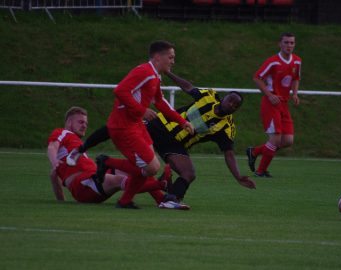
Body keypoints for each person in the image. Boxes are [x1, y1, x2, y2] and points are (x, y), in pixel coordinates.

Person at [68, 71, 256, 203]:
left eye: (235, 105)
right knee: (118, 126)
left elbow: (229, 154)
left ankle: (170, 199)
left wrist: (238, 176)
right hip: (161, 125)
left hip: (175, 145)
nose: (231, 104)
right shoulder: (209, 96)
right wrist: (168, 73)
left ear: (236, 110)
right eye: (230, 99)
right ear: (224, 97)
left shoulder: (227, 128)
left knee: (188, 173)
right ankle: (84, 148)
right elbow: (188, 87)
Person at [94, 40, 194, 208]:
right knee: (151, 167)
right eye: (170, 57)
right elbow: (120, 91)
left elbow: (160, 102)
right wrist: (142, 110)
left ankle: (125, 199)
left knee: (149, 167)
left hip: (135, 125)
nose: (173, 61)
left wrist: (182, 121)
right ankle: (109, 164)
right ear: (157, 57)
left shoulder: (154, 75)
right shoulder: (145, 72)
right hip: (123, 126)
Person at [47, 106, 189, 210]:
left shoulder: (74, 144)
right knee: (120, 180)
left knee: (136, 169)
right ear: (69, 122)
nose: (85, 125)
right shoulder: (62, 132)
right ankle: (161, 185)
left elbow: (54, 175)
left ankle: (162, 199)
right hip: (83, 184)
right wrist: (54, 162)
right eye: (81, 122)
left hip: (93, 176)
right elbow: (52, 147)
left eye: (86, 123)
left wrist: (61, 201)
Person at [246, 32, 301, 177]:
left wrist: (294, 94)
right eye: (286, 42)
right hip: (271, 104)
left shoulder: (297, 61)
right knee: (275, 139)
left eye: (291, 43)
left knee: (288, 140)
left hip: (284, 104)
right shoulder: (273, 61)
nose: (289, 45)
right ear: (280, 44)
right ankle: (261, 171)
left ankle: (255, 151)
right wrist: (269, 95)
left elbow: (296, 78)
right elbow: (257, 78)